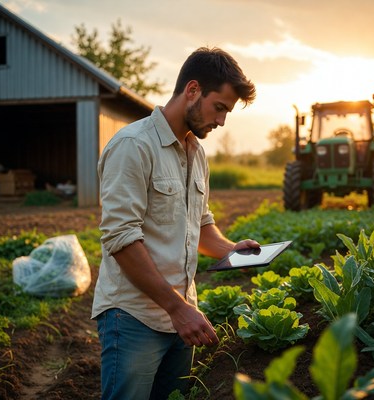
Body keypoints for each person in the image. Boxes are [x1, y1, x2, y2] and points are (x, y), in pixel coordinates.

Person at [92, 46, 260, 400]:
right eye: (220, 108)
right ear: (193, 90)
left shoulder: (195, 153)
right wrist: (178, 309)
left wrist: (231, 249)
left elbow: (198, 224)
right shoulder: (133, 146)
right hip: (134, 317)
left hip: (182, 315)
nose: (221, 121)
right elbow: (121, 239)